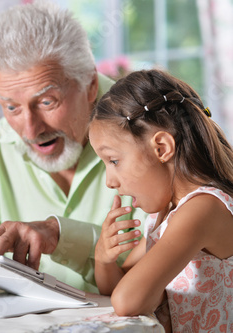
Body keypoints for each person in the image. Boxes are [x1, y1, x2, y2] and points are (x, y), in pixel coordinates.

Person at [0, 1, 146, 301]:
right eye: (11, 107)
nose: (30, 131)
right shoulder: (0, 144)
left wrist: (62, 236)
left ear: (90, 86)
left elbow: (166, 252)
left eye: (47, 102)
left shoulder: (145, 130)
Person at [90, 69, 233, 332]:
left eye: (114, 161)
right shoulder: (167, 214)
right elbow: (119, 286)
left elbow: (127, 301)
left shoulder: (203, 210)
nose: (110, 181)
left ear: (162, 148)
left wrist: (145, 294)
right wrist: (103, 259)